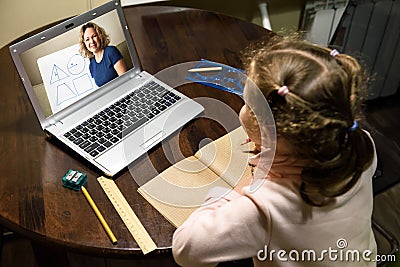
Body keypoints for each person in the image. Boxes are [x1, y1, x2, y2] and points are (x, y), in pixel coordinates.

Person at [172, 36, 377, 266]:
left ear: (269, 133)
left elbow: (185, 248)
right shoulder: (359, 144)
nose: (243, 107)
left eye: (246, 103)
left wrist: (235, 194)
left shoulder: (264, 207)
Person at [79, 22, 127, 87]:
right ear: (84, 44)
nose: (92, 41)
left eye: (94, 36)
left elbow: (126, 80)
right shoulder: (91, 66)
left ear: (99, 36)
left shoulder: (111, 51)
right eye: (87, 39)